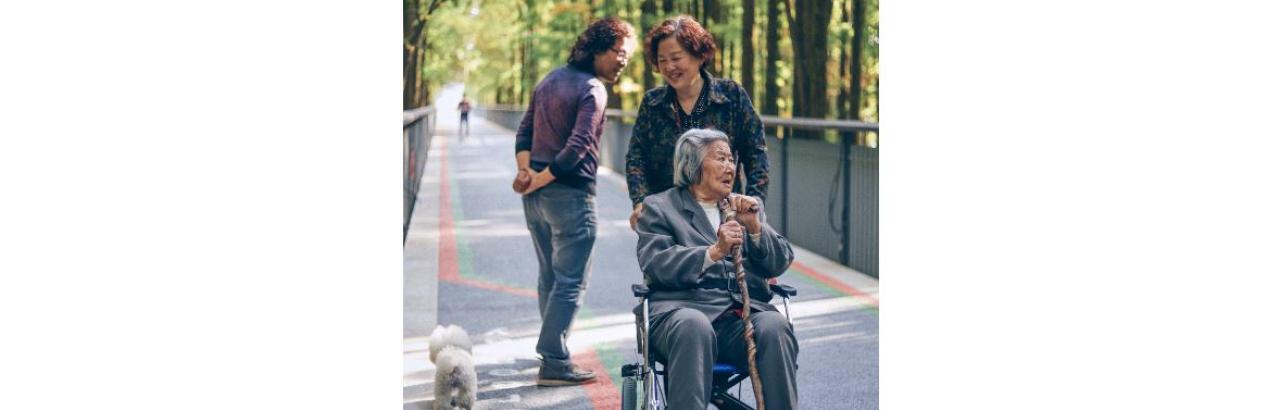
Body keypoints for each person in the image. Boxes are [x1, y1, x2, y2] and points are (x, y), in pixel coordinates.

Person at [511, 17, 636, 387]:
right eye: (619, 53)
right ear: (599, 49)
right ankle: (554, 358)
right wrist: (541, 176)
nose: (622, 62)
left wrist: (525, 174)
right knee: (571, 281)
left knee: (549, 275)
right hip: (570, 196)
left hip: (534, 198)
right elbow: (577, 148)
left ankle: (552, 353)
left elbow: (524, 132)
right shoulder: (593, 89)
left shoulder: (549, 80)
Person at [635, 128, 798, 409]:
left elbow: (780, 261)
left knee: (774, 326)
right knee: (693, 325)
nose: (730, 167)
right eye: (720, 159)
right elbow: (656, 263)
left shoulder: (742, 208)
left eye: (731, 160)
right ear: (694, 164)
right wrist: (714, 252)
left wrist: (756, 227)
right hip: (680, 314)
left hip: (738, 321)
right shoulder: (659, 207)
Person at [626, 15, 770, 230]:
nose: (669, 67)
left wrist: (753, 203)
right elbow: (636, 158)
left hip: (723, 217)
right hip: (667, 217)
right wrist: (640, 201)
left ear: (699, 55)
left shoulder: (731, 96)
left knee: (722, 263)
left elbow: (756, 153)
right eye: (662, 60)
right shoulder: (652, 103)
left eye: (676, 58)